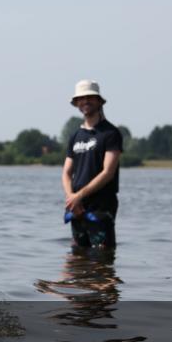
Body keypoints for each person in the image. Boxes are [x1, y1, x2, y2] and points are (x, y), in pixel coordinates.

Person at [62, 80, 122, 248]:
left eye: (90, 97)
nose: (85, 101)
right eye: (81, 98)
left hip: (101, 207)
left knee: (102, 259)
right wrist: (72, 200)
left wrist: (78, 196)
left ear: (99, 102)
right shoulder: (75, 136)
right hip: (76, 207)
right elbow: (66, 173)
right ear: (76, 104)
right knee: (77, 259)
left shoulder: (111, 133)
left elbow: (108, 172)